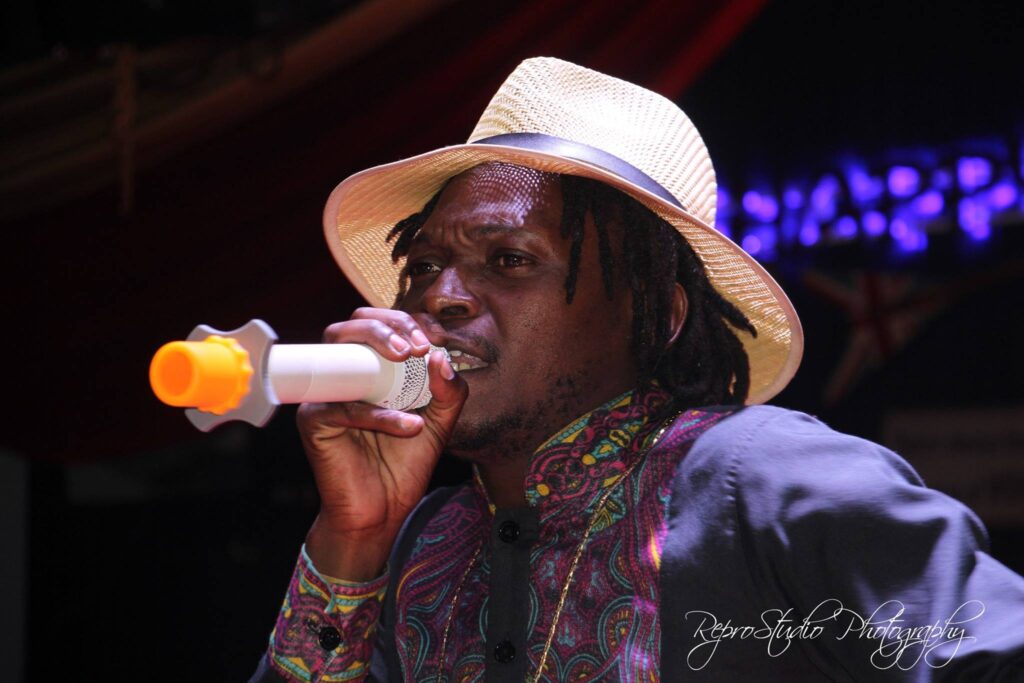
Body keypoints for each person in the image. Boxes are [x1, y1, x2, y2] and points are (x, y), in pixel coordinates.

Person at [250, 58, 1024, 682]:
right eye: (422, 266)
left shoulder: (764, 478)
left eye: (510, 259)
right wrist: (352, 539)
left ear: (658, 313)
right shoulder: (421, 542)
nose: (440, 296)